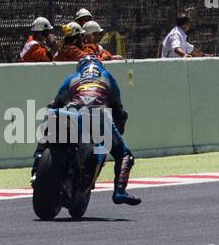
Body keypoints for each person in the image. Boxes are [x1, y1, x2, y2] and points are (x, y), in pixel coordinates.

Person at [34, 56, 140, 206]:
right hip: (97, 116)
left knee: (49, 122)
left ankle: (36, 165)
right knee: (124, 154)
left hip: (71, 112)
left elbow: (55, 104)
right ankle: (119, 192)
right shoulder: (108, 77)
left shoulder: (72, 78)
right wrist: (118, 131)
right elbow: (119, 112)